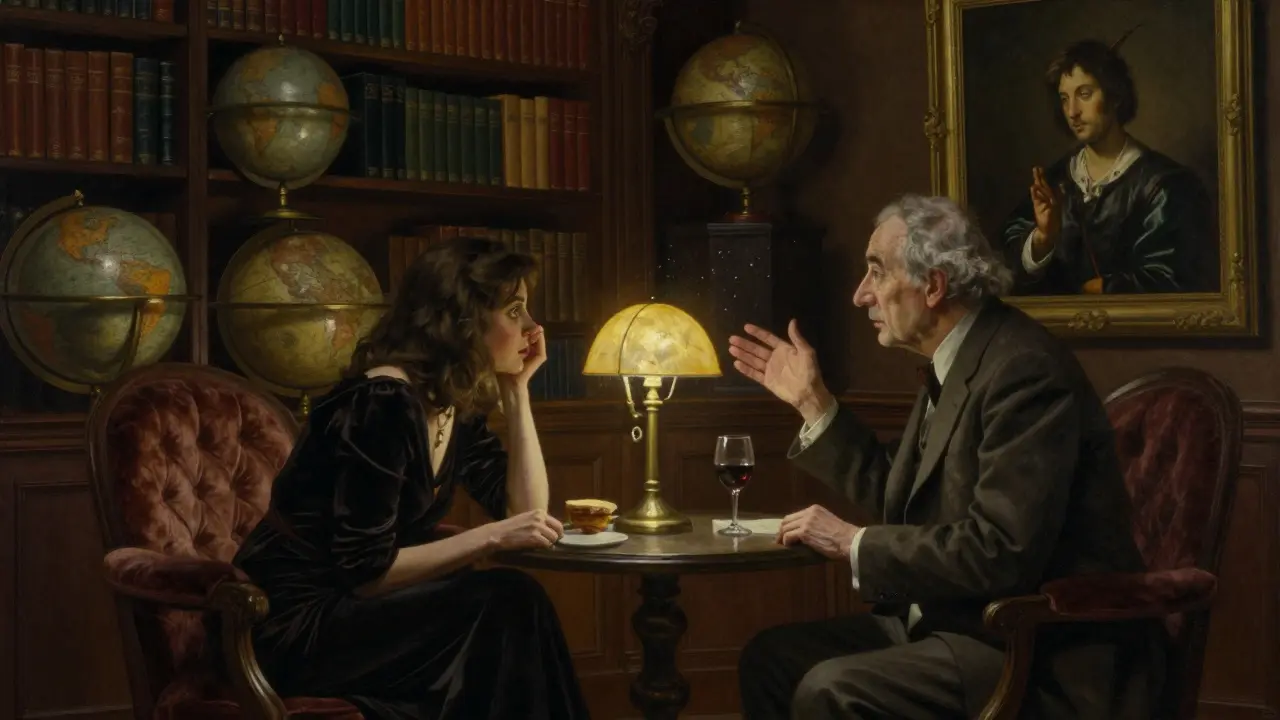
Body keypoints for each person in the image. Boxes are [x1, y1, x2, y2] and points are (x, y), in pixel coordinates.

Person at [729, 194, 1165, 719]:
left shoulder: (1023, 370)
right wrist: (812, 402)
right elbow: (901, 492)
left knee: (832, 689)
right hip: (954, 623)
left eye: (876, 273)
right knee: (771, 661)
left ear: (933, 286)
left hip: (1031, 649)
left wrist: (853, 542)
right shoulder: (961, 357)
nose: (859, 295)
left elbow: (1000, 550)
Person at [230, 236, 591, 720]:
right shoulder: (381, 404)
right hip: (297, 624)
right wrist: (489, 538)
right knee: (509, 599)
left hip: (363, 613)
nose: (533, 327)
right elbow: (365, 574)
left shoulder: (449, 403)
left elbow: (529, 515)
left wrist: (517, 393)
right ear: (464, 320)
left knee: (510, 604)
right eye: (514, 311)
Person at [1001, 38, 1213, 295]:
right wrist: (1042, 239)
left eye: (1084, 94)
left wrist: (1109, 288)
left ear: (1115, 97)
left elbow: (1177, 278)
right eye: (1064, 98)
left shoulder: (1165, 185)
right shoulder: (1053, 181)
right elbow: (1006, 265)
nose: (1072, 111)